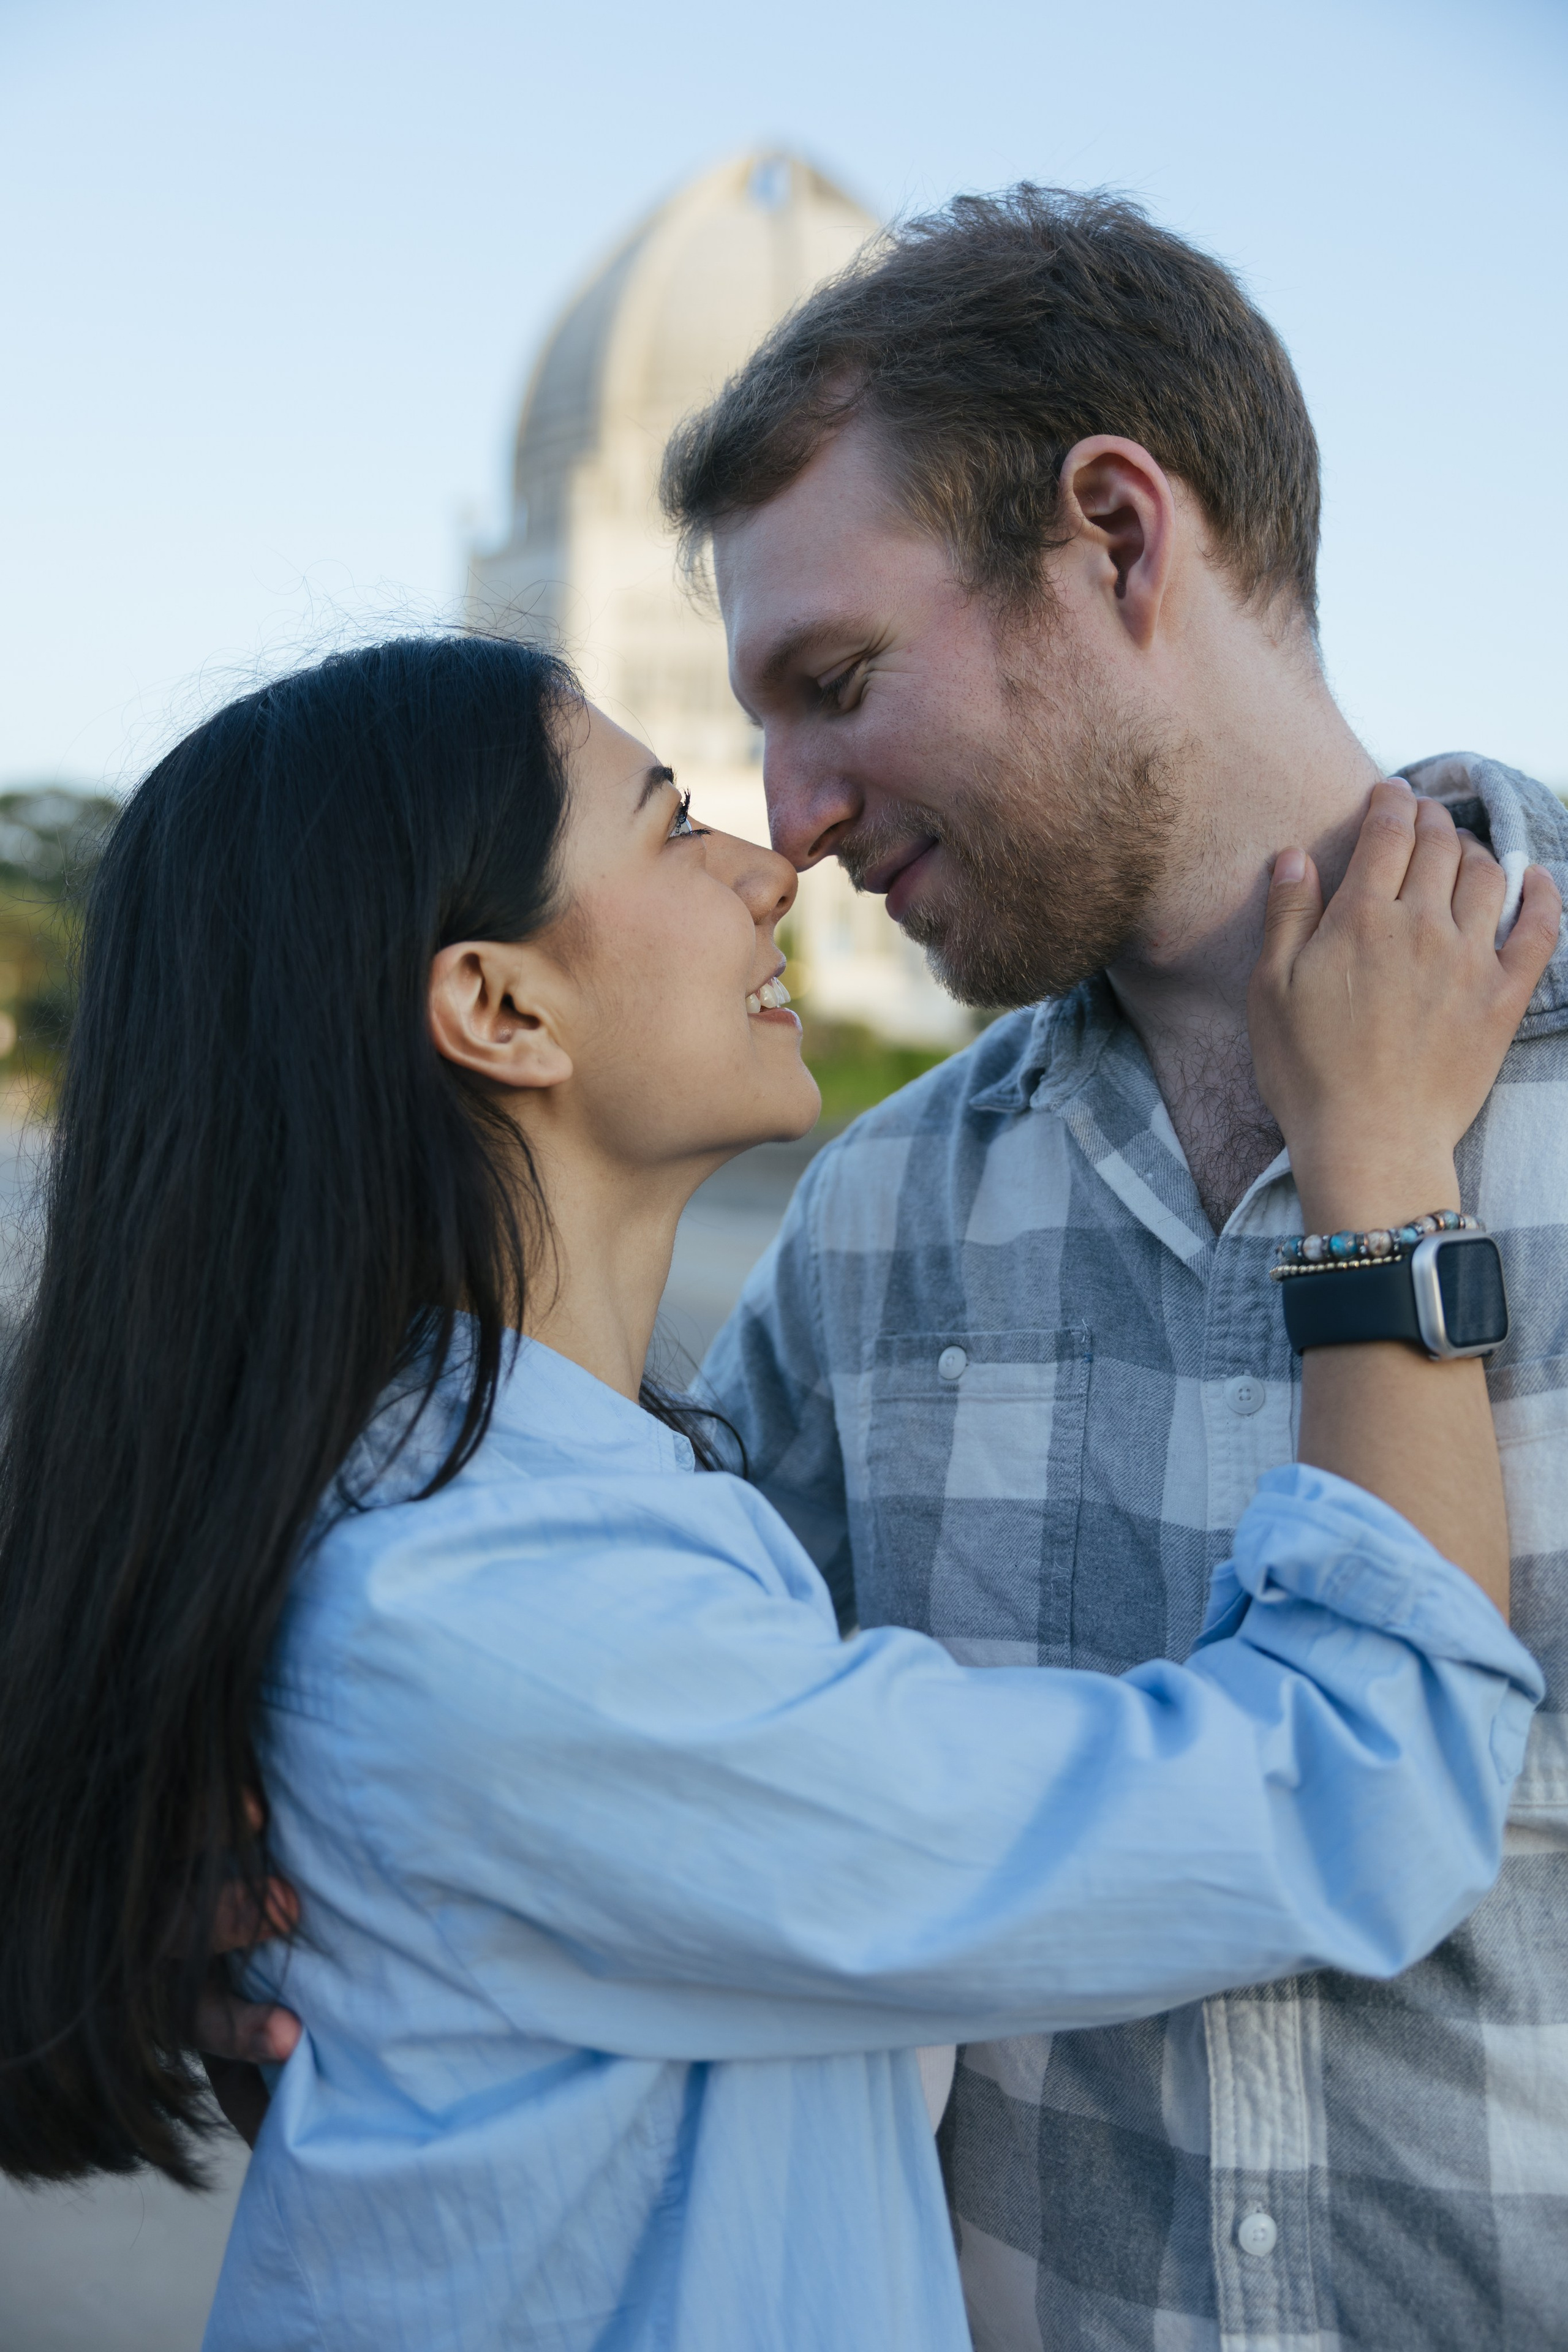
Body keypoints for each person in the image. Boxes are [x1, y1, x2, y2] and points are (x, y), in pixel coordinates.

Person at [0, 635, 1553, 2352]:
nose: (771, 863)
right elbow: (1363, 1782)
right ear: (501, 1010)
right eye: (674, 825)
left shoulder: (534, 1506)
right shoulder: (508, 1621)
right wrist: (1380, 1168)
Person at [652, 186, 1568, 2348]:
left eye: (837, 683)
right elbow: (650, 1753)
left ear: (1118, 540)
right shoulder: (872, 1223)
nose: (789, 817)